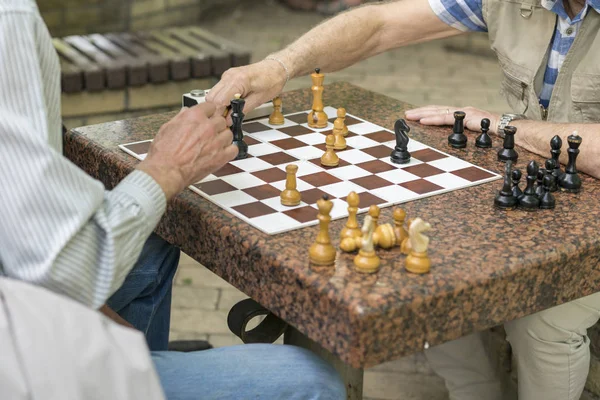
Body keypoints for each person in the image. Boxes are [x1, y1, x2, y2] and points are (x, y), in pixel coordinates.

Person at [207, 0, 600, 398]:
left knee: (543, 318)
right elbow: (378, 24)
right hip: (531, 191)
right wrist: (279, 66)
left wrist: (501, 123)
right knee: (429, 266)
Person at [0, 1, 346, 399]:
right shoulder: (10, 19)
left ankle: (140, 365)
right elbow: (59, 268)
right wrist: (164, 170)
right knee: (312, 382)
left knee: (151, 236)